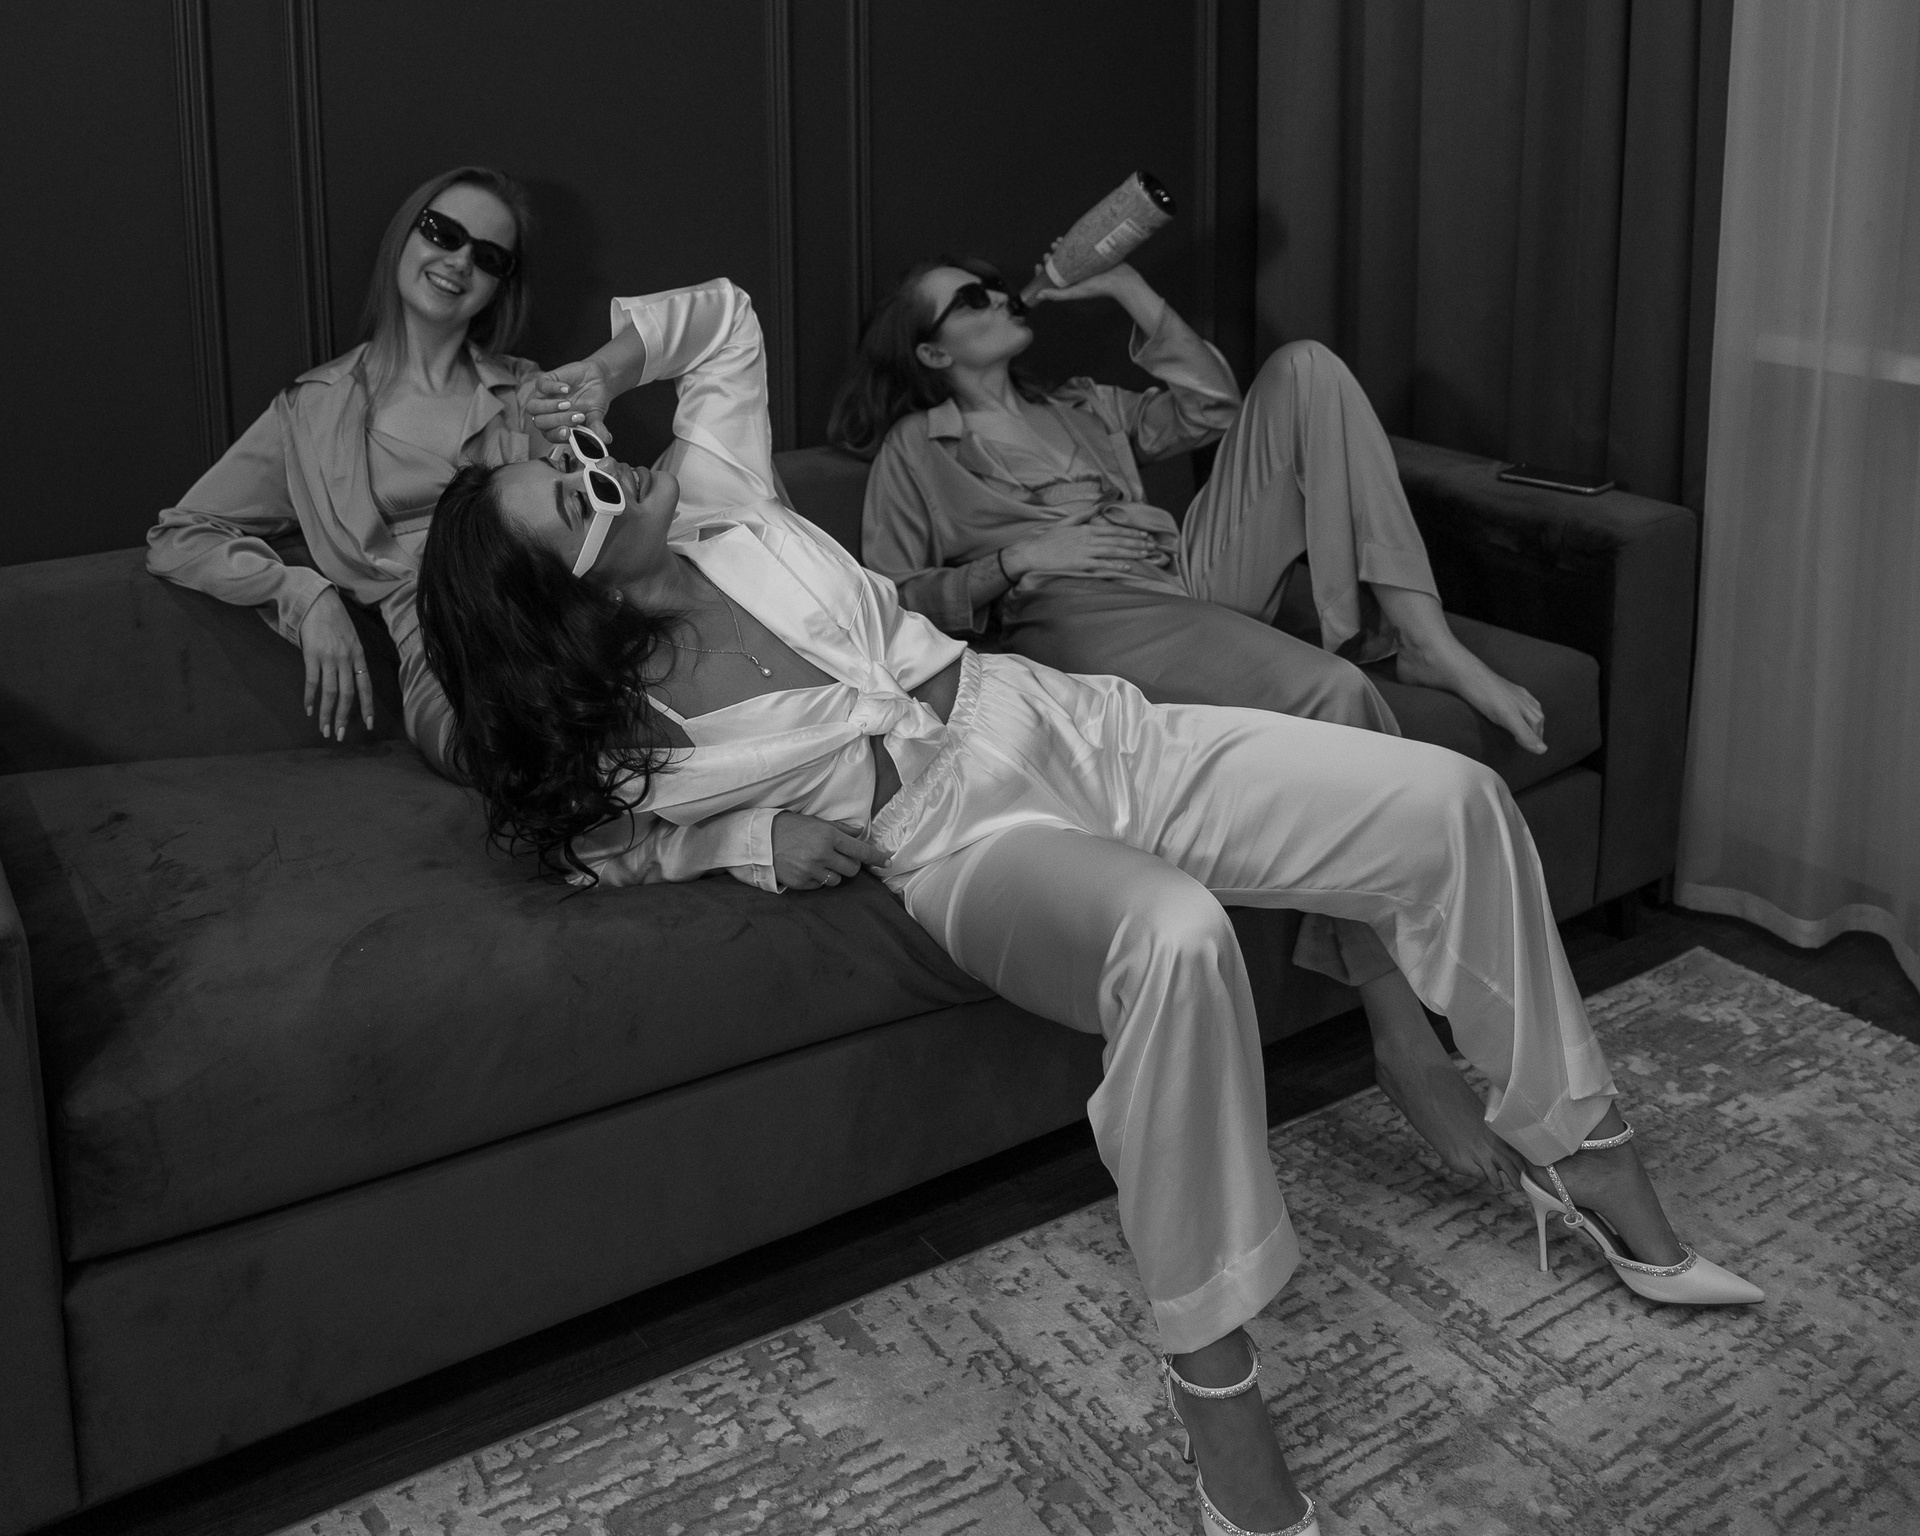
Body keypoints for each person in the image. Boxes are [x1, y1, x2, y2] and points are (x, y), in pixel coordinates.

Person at [416, 278, 1761, 1536]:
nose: (602, 462)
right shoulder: (626, 728)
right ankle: (1215, 1380)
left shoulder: (724, 501)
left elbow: (721, 322)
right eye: (578, 494)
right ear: (566, 588)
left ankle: (1580, 1149)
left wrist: (608, 364)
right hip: (966, 842)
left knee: (1452, 802)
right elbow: (589, 850)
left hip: (1086, 727)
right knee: (1176, 938)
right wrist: (752, 839)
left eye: (583, 450)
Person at [832, 255, 1548, 754]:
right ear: (933, 354)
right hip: (1083, 610)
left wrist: (1127, 286)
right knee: (1334, 688)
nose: (996, 297)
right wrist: (1019, 559)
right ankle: (1387, 908)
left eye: (993, 287)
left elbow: (1211, 410)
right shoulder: (916, 448)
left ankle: (1427, 642)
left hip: (1184, 571)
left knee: (1307, 367)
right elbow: (891, 600)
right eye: (970, 301)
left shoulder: (1082, 405)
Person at [147, 165, 570, 777]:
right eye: (443, 233)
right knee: (514, 764)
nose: (458, 262)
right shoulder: (312, 411)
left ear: (501, 285)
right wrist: (303, 594)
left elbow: (592, 525)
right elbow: (180, 535)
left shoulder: (526, 393)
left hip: (553, 637)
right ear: (405, 235)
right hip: (445, 669)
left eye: (487, 257)